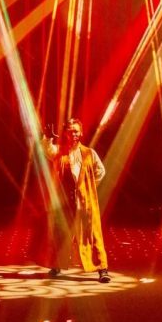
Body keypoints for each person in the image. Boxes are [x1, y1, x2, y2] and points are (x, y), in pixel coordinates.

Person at [40, 118, 111, 283]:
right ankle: (56, 265)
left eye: (76, 131)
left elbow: (100, 171)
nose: (73, 134)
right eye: (70, 131)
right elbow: (48, 150)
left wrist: (88, 187)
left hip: (85, 201)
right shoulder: (60, 152)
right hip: (66, 202)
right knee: (61, 233)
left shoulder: (89, 153)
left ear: (81, 133)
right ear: (65, 133)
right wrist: (48, 138)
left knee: (93, 234)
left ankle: (102, 269)